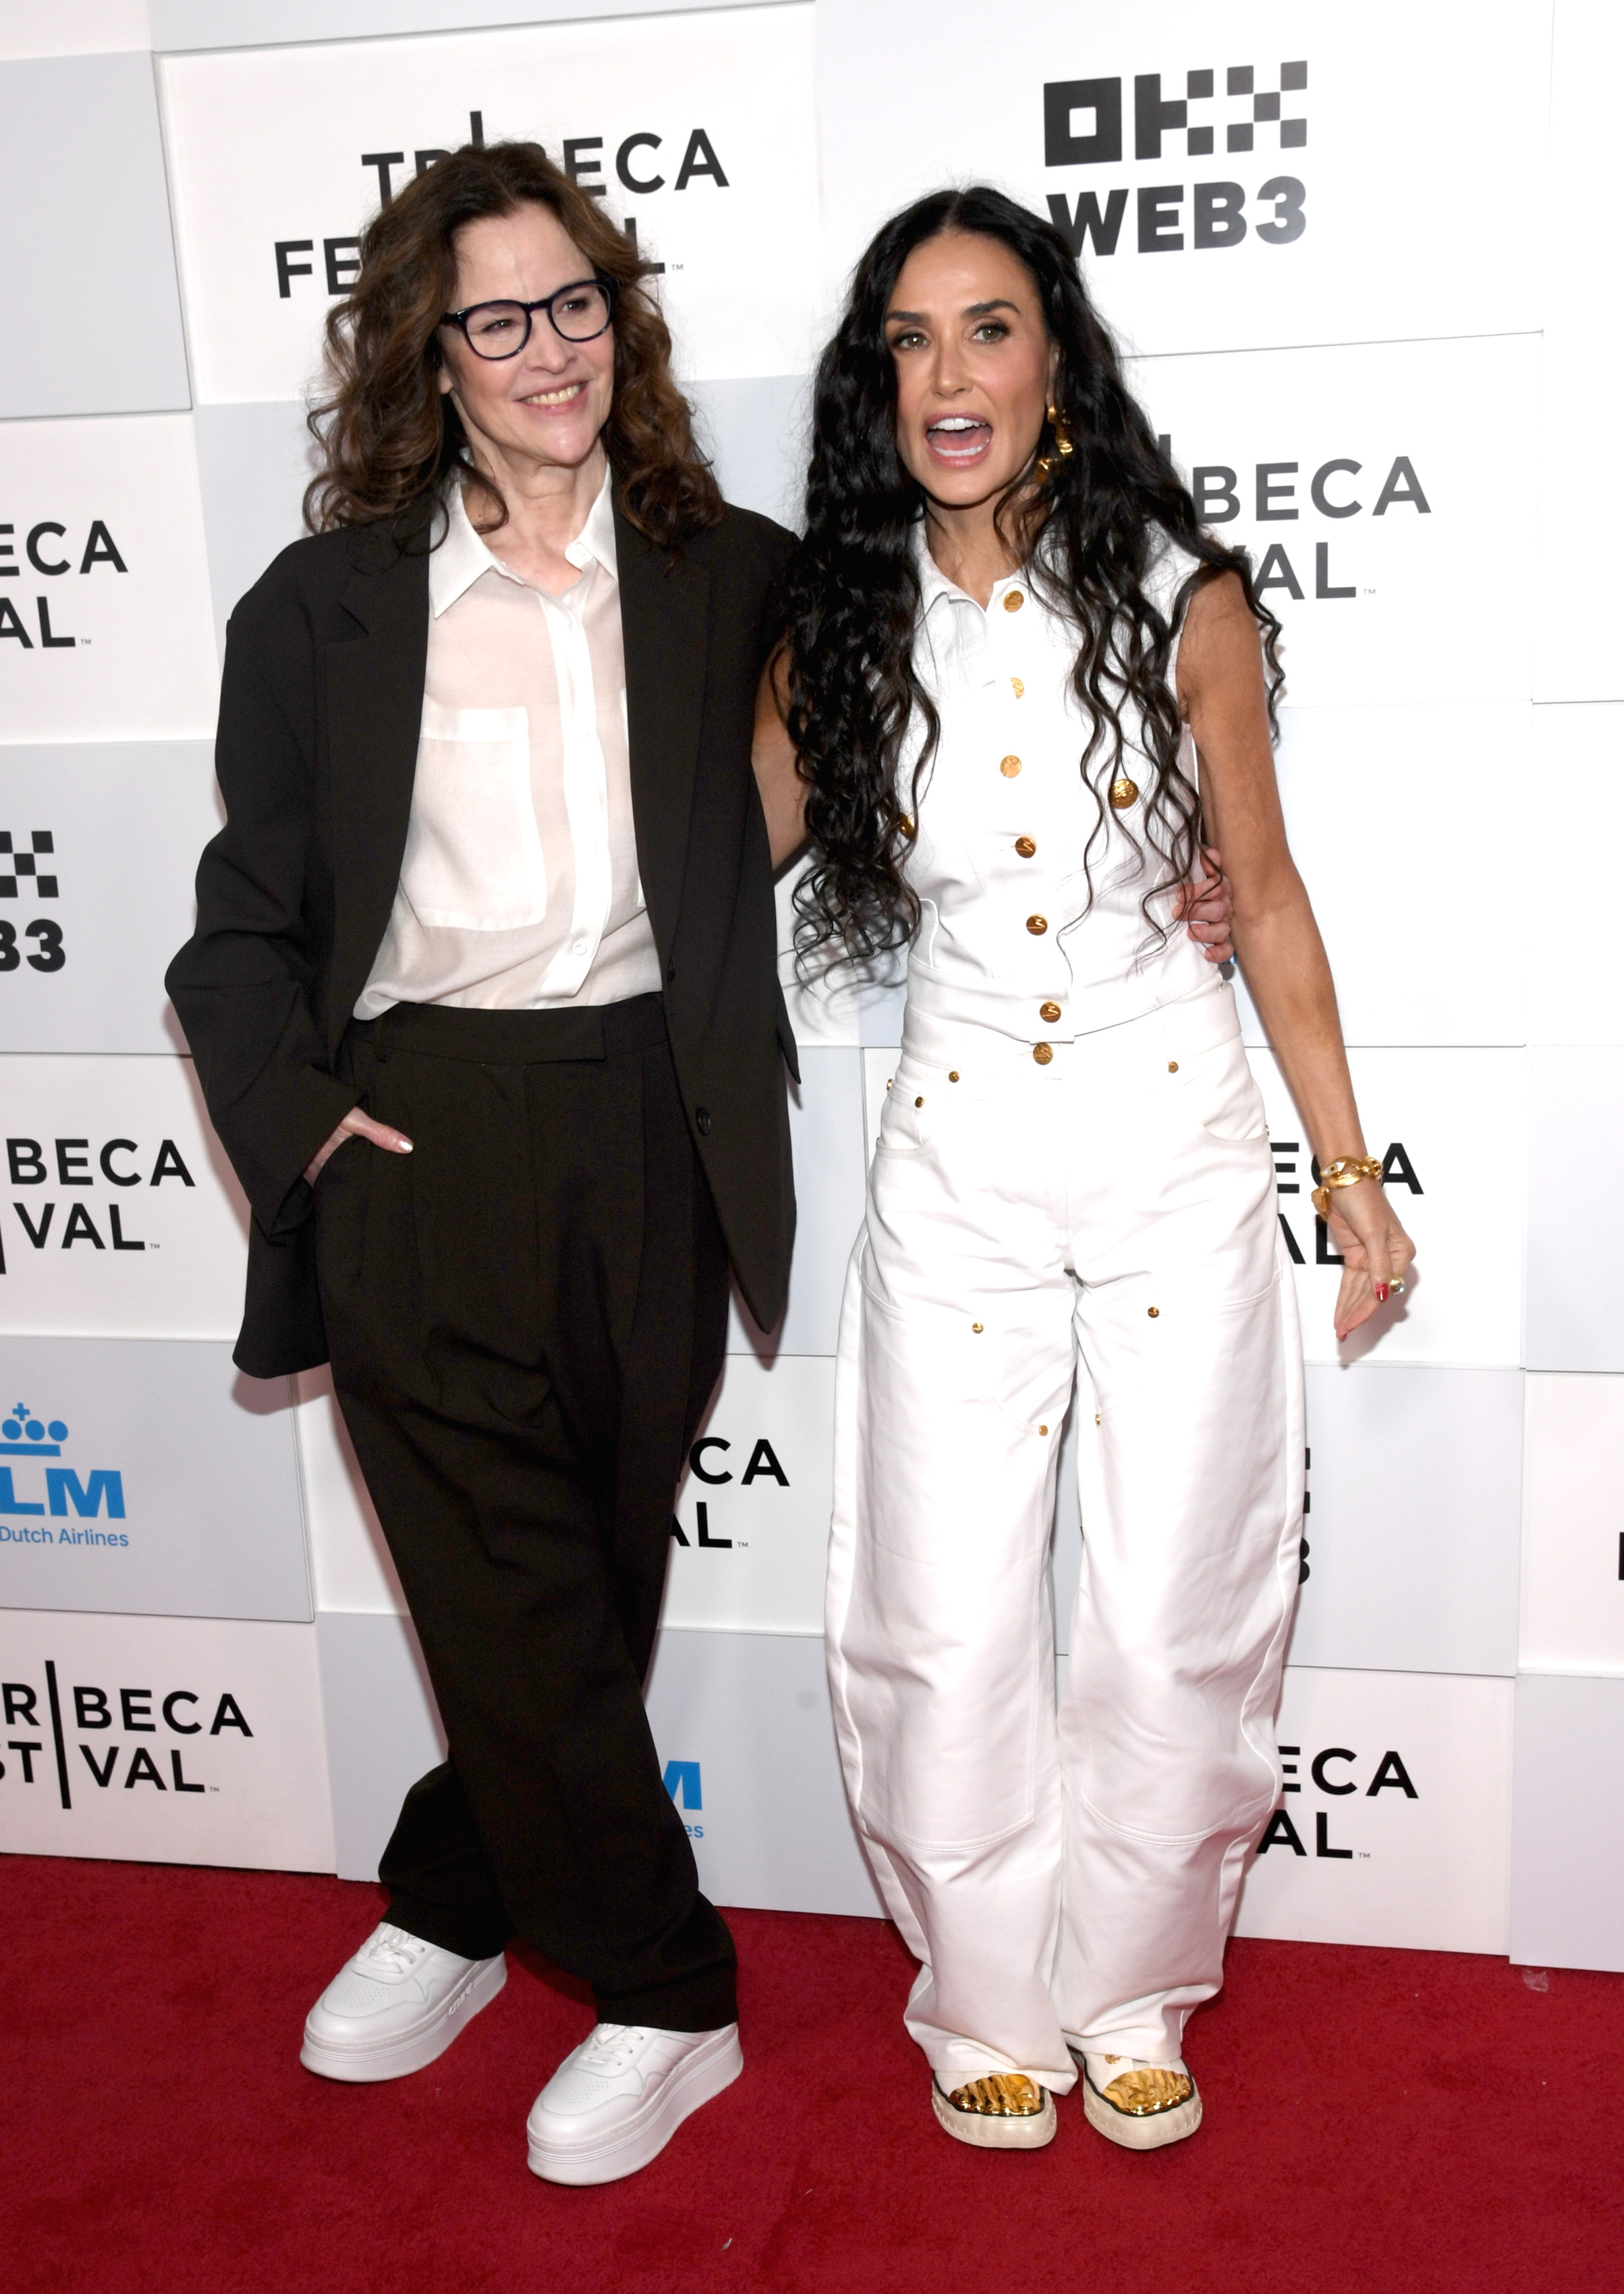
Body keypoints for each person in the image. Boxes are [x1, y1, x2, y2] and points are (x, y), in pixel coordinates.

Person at [753, 187, 1416, 2154]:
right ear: (878, 384)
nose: (946, 376)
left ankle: (1134, 1984)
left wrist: (1354, 1178)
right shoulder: (841, 623)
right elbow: (712, 864)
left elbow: (1271, 900)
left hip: (1171, 1144)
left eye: (987, 330)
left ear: (1058, 363)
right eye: (909, 340)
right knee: (945, 1608)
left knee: (1172, 1603)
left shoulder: (1178, 594)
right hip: (955, 1155)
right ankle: (977, 1994)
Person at [166, 142, 802, 2186]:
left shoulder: (734, 574)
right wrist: (300, 1130)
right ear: (429, 360)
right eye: (500, 318)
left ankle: (457, 1890)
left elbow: (912, 757)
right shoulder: (326, 607)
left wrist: (1181, 886)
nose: (551, 351)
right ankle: (670, 1988)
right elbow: (243, 918)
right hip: (418, 1130)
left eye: (581, 305)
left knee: (585, 1578)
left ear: (627, 322)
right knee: (507, 1581)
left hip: (652, 1121)